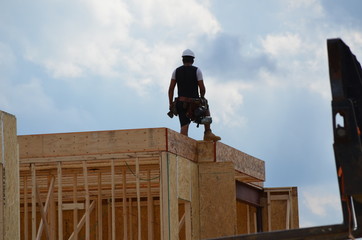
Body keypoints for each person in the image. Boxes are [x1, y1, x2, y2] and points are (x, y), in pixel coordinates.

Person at [168, 49, 221, 141]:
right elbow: (202, 88)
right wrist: (202, 97)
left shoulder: (176, 71)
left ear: (182, 60)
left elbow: (171, 89)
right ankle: (207, 133)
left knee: (184, 126)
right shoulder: (197, 71)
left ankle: (183, 143)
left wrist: (171, 103)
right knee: (205, 107)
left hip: (181, 103)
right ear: (193, 60)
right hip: (193, 104)